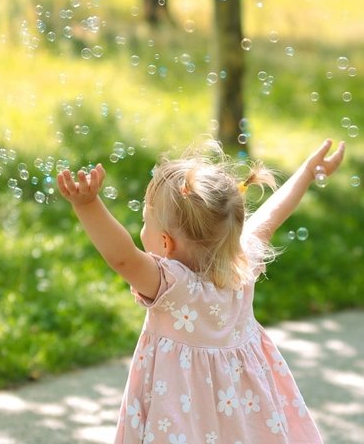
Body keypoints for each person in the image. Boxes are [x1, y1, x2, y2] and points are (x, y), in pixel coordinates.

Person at [57, 138, 345, 444]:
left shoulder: (172, 285)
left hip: (182, 412)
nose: (141, 231)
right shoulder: (239, 263)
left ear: (166, 244)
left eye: (145, 223)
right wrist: (307, 171)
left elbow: (123, 257)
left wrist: (87, 204)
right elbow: (272, 214)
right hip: (242, 408)